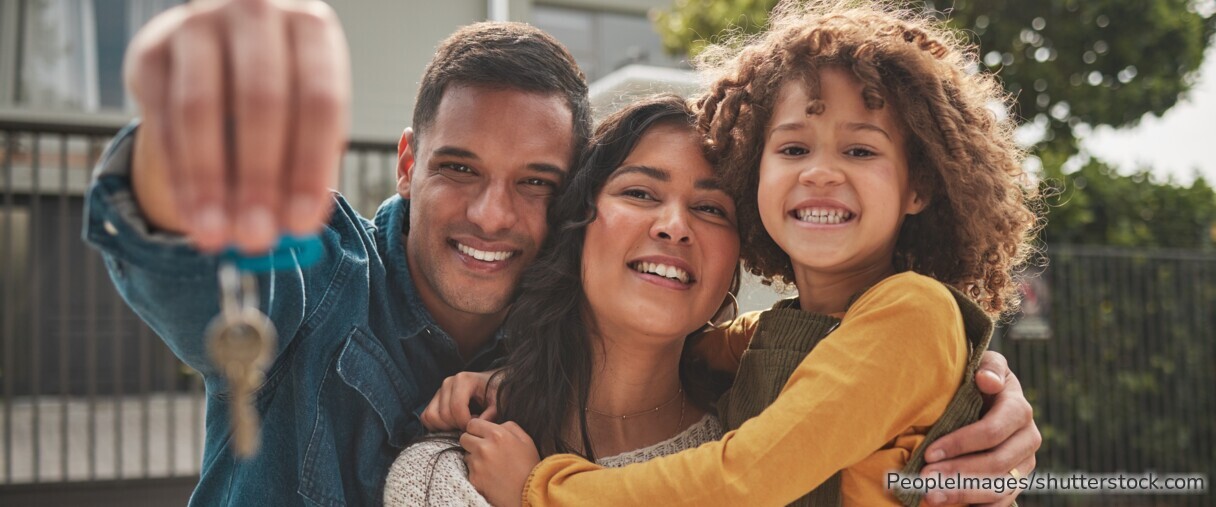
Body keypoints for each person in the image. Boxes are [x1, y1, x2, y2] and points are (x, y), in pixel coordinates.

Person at [84, 0, 1035, 504]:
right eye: (459, 168)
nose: (494, 213)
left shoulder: (754, 404)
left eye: (537, 181)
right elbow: (212, 269)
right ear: (407, 162)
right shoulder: (346, 295)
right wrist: (187, 141)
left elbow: (813, 393)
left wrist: (973, 392)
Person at [461, 1, 1043, 506]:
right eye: (793, 147)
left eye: (860, 151)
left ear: (919, 187)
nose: (819, 172)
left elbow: (743, 480)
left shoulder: (912, 312)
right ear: (752, 175)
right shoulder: (783, 330)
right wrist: (510, 379)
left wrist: (540, 490)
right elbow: (670, 356)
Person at [384, 94, 736, 506]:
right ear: (574, 226)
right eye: (640, 193)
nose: (675, 227)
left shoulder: (770, 441)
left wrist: (533, 496)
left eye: (711, 208)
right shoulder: (449, 471)